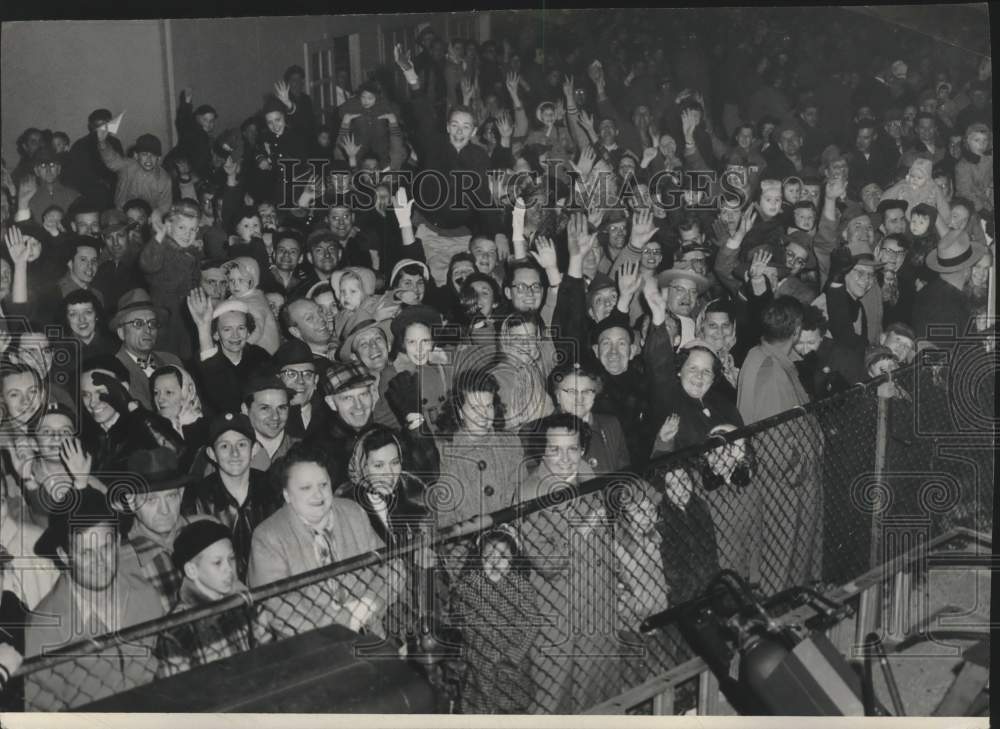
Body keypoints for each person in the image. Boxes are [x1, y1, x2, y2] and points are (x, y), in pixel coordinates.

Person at [25, 487, 165, 711]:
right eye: (86, 553)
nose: (100, 562)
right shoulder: (45, 628)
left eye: (106, 547)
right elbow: (42, 714)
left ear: (118, 540)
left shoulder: (144, 595)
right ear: (64, 555)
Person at [247, 443, 389, 639]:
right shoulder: (268, 537)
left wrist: (369, 605)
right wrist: (346, 622)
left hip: (370, 631)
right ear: (287, 495)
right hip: (312, 648)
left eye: (323, 484)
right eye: (306, 488)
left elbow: (390, 567)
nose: (318, 495)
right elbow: (278, 609)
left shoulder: (353, 512)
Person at [450, 524, 540, 714]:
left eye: (502, 557)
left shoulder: (521, 587)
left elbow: (532, 623)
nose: (494, 562)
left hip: (510, 657)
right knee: (480, 703)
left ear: (514, 559)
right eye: (488, 557)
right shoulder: (471, 583)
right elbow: (462, 612)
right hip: (480, 656)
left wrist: (515, 654)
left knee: (511, 702)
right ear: (479, 558)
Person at [182, 412, 281, 582]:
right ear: (212, 454)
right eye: (224, 446)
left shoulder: (273, 489)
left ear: (254, 449)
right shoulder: (198, 498)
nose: (234, 453)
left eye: (242, 444)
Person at [155, 520, 261, 678]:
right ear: (192, 570)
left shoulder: (243, 603)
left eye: (231, 559)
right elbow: (176, 690)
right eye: (217, 563)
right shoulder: (177, 630)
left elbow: (266, 653)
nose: (229, 569)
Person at [118, 447, 201, 613]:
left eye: (171, 496)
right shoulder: (121, 562)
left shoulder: (205, 532)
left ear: (182, 494)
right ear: (131, 501)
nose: (164, 510)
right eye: (151, 500)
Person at [111, 288, 182, 410]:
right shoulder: (113, 371)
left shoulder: (172, 361)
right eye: (138, 324)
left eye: (152, 323)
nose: (148, 330)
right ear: (121, 333)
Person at [97, 126, 172, 214]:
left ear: (159, 158)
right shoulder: (127, 166)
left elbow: (164, 206)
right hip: (121, 214)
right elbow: (111, 159)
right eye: (144, 154)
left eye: (153, 155)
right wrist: (102, 143)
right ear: (136, 156)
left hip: (147, 218)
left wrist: (156, 216)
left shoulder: (164, 179)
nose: (149, 159)